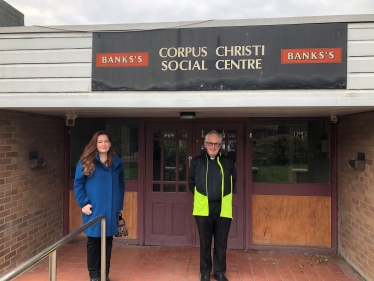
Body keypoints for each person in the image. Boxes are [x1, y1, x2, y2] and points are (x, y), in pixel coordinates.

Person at [74, 130, 125, 281]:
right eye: (100, 141)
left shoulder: (116, 163)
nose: (104, 144)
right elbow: (78, 184)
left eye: (106, 141)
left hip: (111, 210)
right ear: (95, 144)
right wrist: (83, 203)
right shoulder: (86, 162)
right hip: (94, 208)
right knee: (94, 242)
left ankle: (105, 274)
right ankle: (94, 276)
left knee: (108, 242)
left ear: (110, 144)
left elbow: (121, 185)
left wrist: (118, 205)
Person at [188, 130, 236, 281]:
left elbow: (233, 181)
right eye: (210, 143)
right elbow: (191, 182)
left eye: (216, 143)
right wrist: (202, 196)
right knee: (205, 242)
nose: (213, 146)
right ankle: (205, 273)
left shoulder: (228, 162)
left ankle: (220, 273)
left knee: (221, 243)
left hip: (223, 207)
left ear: (220, 145)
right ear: (205, 144)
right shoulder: (197, 162)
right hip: (203, 208)